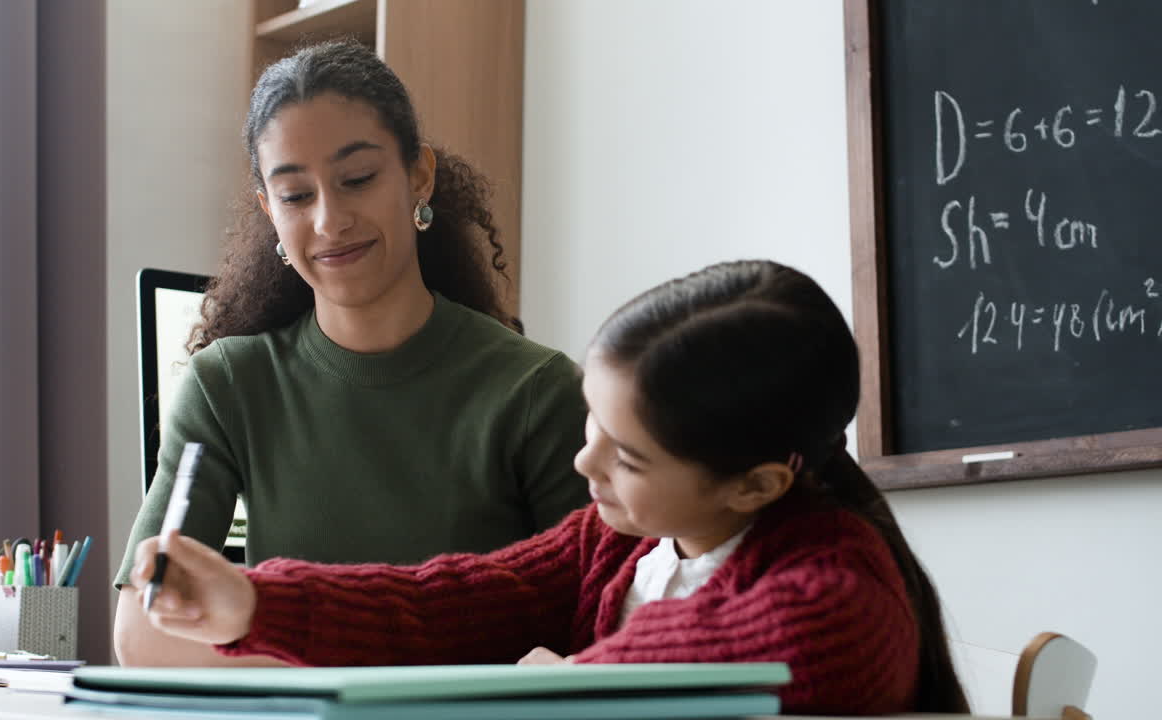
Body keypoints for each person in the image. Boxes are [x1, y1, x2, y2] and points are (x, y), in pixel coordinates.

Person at [128, 260, 972, 715]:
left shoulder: (837, 606)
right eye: (590, 426)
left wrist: (559, 679)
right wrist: (254, 604)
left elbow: (653, 681)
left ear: (753, 485)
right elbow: (456, 600)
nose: (584, 464)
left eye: (628, 456)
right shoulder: (626, 540)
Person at [112, 40, 589, 666]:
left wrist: (288, 641)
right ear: (268, 211)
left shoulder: (538, 390)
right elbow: (144, 636)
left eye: (357, 179)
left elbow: (593, 626)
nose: (330, 220)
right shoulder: (228, 385)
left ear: (419, 174)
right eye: (295, 195)